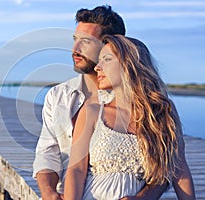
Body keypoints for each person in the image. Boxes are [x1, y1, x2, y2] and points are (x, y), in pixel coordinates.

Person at [33, 5, 169, 200]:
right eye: (75, 40)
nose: (75, 49)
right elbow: (47, 152)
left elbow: (166, 167)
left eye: (86, 42)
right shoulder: (58, 96)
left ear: (112, 44)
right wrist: (48, 193)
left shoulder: (145, 104)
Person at [63, 34, 195, 199]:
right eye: (99, 59)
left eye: (107, 59)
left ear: (129, 64)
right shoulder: (92, 111)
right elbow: (76, 170)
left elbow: (178, 170)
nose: (98, 67)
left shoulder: (162, 112)